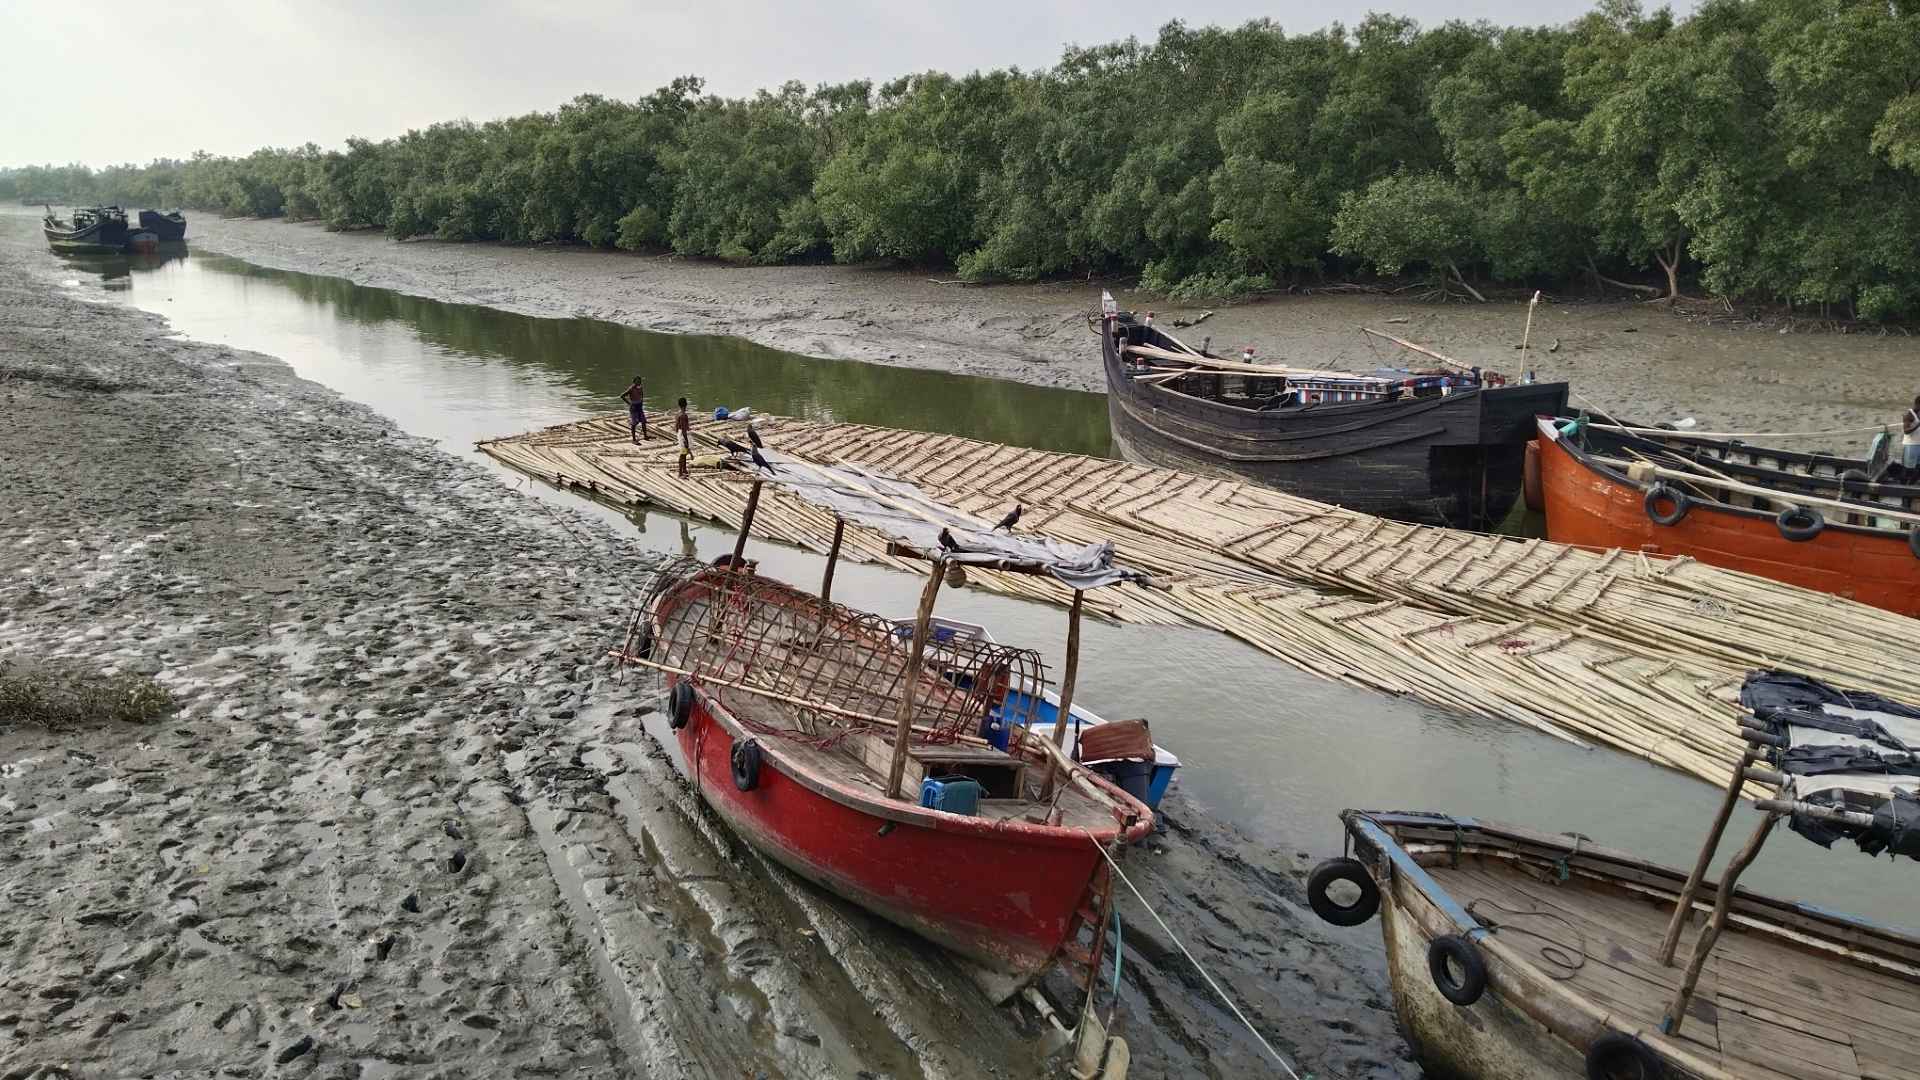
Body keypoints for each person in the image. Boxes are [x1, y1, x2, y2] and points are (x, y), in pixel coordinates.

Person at [621, 376, 647, 443]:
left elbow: (642, 395)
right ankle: (634, 439)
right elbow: (622, 396)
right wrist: (630, 404)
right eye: (638, 381)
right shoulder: (631, 389)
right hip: (634, 407)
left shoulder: (640, 387)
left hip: (639, 406)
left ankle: (645, 436)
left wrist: (641, 401)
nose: (640, 382)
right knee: (634, 423)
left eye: (640, 381)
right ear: (634, 382)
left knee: (643, 421)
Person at [674, 396, 693, 479]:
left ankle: (684, 470)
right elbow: (684, 429)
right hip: (683, 435)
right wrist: (686, 442)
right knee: (682, 454)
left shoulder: (678, 414)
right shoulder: (683, 416)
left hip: (680, 434)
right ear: (686, 404)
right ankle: (680, 473)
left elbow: (676, 427)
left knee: (684, 454)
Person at [1903, 394, 1920, 469]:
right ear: (1917, 404)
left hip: (1918, 444)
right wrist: (1918, 425)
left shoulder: (1919, 413)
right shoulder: (1909, 415)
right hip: (1911, 445)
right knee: (1909, 468)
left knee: (1917, 467)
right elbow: (1906, 431)